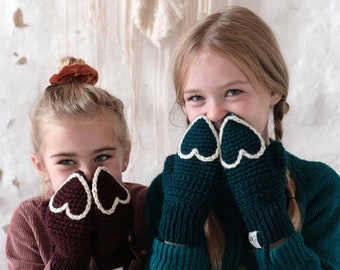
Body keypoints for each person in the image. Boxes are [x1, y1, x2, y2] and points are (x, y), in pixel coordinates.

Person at [146, 6, 340, 270]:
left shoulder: (320, 186)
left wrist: (267, 216)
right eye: (196, 98)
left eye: (233, 91)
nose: (214, 113)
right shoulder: (166, 189)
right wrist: (182, 218)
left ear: (273, 89)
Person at [6, 57, 147, 269]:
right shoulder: (29, 220)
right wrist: (67, 258)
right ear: (41, 167)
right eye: (67, 161)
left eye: (102, 158)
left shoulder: (145, 204)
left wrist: (114, 253)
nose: (87, 174)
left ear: (125, 155)